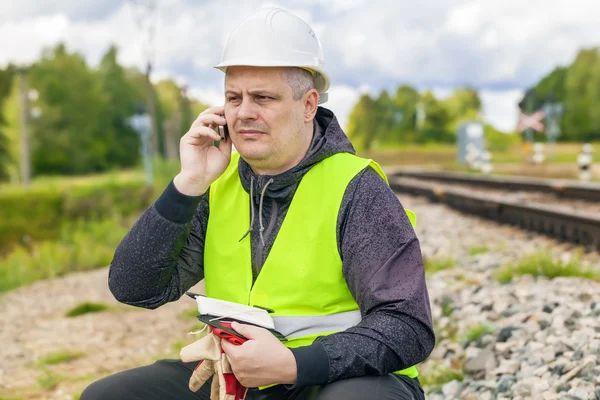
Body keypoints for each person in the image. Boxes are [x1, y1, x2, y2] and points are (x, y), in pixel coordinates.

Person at [81, 7, 434, 400]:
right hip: (237, 377)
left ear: (308, 105)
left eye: (262, 98)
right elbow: (135, 288)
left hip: (337, 378)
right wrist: (187, 185)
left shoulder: (356, 188)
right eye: (234, 97)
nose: (244, 112)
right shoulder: (216, 186)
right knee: (107, 396)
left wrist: (295, 364)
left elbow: (408, 325)